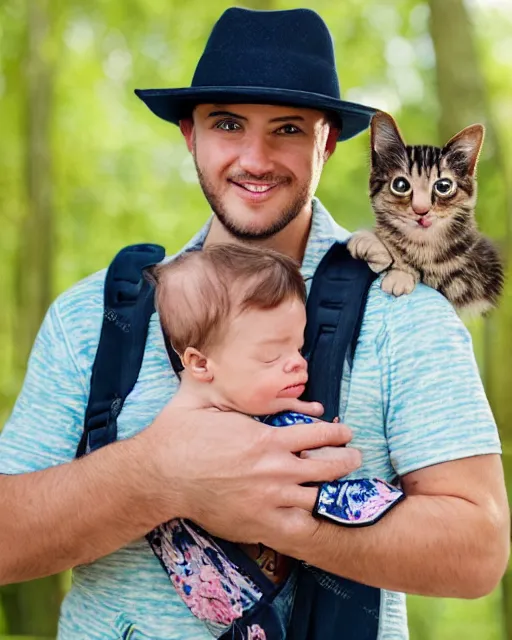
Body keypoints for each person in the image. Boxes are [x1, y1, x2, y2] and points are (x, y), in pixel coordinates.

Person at [0, 6, 508, 640]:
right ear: (190, 135)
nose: (255, 157)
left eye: (288, 128)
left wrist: (273, 513)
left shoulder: (404, 314)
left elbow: (479, 551)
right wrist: (160, 474)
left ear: (327, 141)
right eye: (228, 124)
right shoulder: (91, 316)